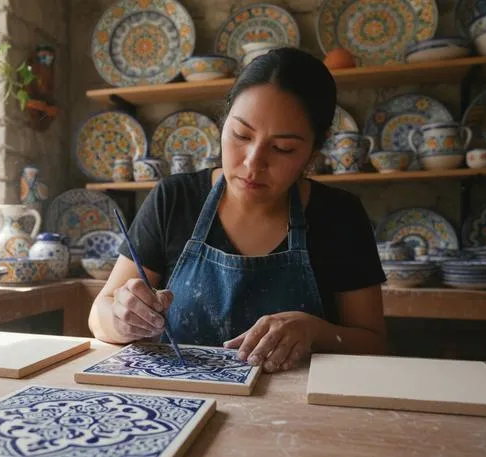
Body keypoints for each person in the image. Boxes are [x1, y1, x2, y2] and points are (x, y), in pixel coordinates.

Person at [88, 47, 387, 373]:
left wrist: (316, 332)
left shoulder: (340, 215)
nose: (253, 163)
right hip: (181, 394)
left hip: (297, 403)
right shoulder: (174, 199)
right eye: (241, 135)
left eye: (283, 148)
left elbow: (374, 344)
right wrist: (121, 318)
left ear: (314, 151)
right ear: (224, 121)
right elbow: (99, 315)